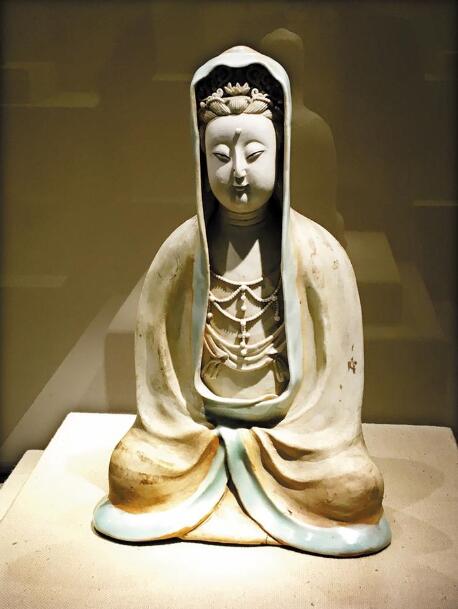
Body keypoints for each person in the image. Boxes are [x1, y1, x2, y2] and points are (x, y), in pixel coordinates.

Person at [93, 46, 391, 556]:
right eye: (220, 156)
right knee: (131, 472)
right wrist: (176, 429)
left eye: (254, 155)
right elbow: (156, 367)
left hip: (293, 441)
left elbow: (339, 387)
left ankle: (255, 485)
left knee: (353, 487)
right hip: (196, 437)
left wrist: (311, 438)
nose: (237, 173)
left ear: (281, 153)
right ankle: (221, 479)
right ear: (200, 158)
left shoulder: (320, 254)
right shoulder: (180, 252)